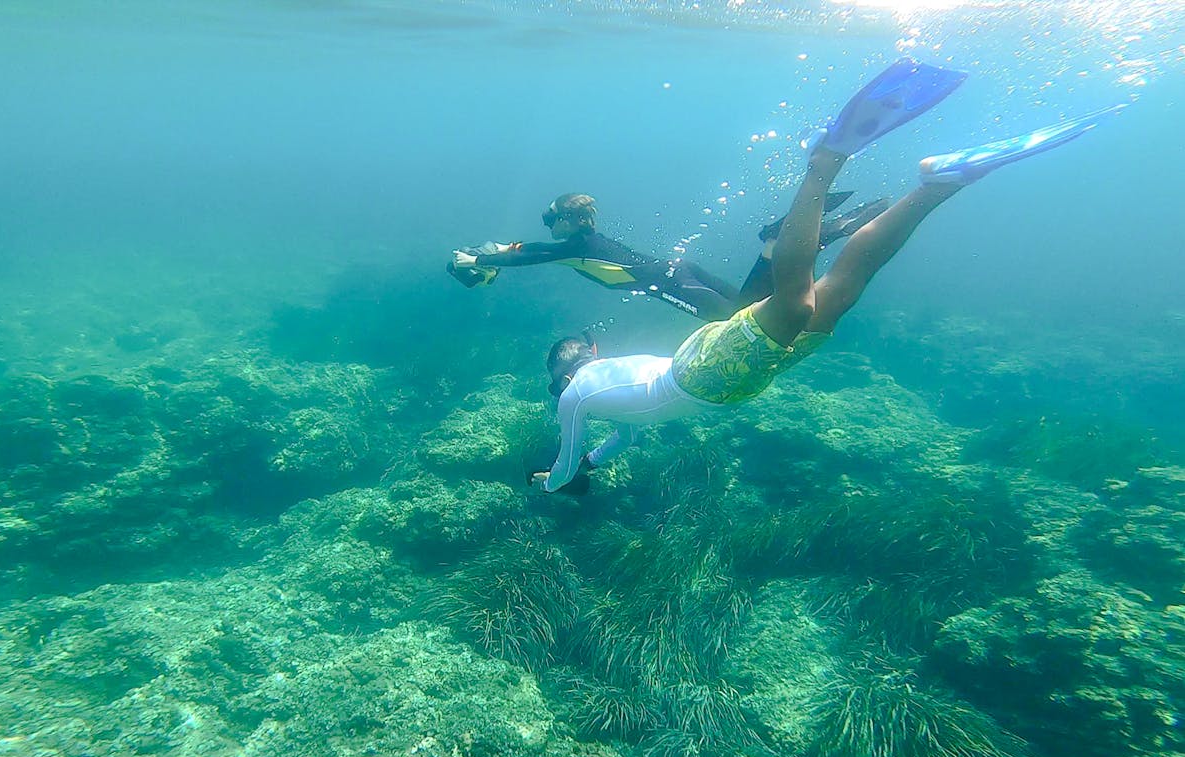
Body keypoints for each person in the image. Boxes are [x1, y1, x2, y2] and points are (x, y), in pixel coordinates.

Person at [529, 57, 1125, 493]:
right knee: (842, 289)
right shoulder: (597, 387)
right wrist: (597, 462)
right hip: (719, 377)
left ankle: (824, 162)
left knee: (798, 301)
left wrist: (549, 484)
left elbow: (565, 460)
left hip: (705, 375)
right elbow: (618, 440)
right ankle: (939, 184)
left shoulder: (575, 399)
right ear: (588, 353)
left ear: (565, 375)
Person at [449, 191, 889, 322]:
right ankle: (779, 243)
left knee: (738, 318)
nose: (547, 227)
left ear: (568, 220)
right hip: (678, 270)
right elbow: (526, 250)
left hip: (668, 282)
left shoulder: (574, 246)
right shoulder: (578, 242)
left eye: (551, 220)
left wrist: (480, 263)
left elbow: (527, 258)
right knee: (750, 306)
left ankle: (781, 242)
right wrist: (489, 255)